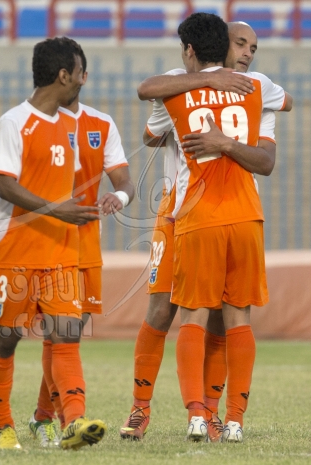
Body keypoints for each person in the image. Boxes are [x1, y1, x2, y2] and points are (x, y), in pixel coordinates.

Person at [120, 20, 292, 442]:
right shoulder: (180, 82)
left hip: (221, 211)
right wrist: (209, 81)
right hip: (175, 211)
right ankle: (140, 408)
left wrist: (223, 133)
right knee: (162, 309)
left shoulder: (257, 89)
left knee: (216, 316)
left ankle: (208, 412)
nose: (247, 53)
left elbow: (283, 109)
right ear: (220, 44)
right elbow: (151, 130)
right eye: (241, 44)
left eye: (254, 48)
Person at [0, 37, 107, 450]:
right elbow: (6, 185)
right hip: (14, 250)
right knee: (6, 339)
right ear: (63, 75)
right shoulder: (14, 123)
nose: (83, 81)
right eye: (79, 73)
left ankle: (74, 421)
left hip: (60, 251)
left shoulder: (69, 126)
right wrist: (58, 210)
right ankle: (2, 426)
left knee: (66, 335)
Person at [27, 46, 135, 448]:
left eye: (73, 71)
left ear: (81, 77)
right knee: (60, 334)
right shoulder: (30, 122)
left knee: (67, 334)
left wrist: (117, 197)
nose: (69, 78)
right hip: (44, 242)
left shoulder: (100, 124)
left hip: (86, 245)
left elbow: (125, 181)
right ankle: (64, 419)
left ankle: (42, 417)